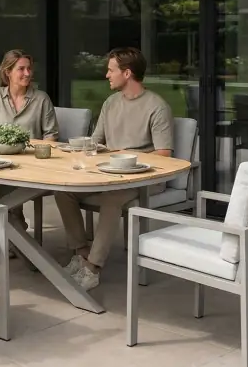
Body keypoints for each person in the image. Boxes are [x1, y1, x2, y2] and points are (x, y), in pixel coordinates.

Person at [54, 47, 173, 291]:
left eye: (111, 70)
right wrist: (76, 151)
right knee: (63, 191)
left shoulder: (157, 107)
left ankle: (92, 268)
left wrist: (126, 160)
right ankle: (81, 253)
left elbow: (164, 155)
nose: (107, 75)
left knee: (111, 198)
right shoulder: (110, 103)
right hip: (108, 174)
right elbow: (95, 142)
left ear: (127, 73)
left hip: (144, 179)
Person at [0, 49, 59, 232]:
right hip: (2, 160)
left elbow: (51, 136)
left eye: (29, 68)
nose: (27, 73)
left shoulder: (41, 99)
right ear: (8, 72)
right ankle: (11, 227)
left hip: (31, 163)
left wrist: (39, 155)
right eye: (21, 69)